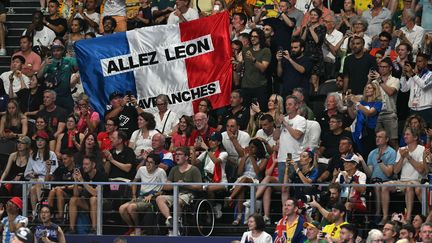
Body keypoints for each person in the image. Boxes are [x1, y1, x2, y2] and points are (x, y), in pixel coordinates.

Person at [380, 127, 426, 223]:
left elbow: (421, 169)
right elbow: (396, 171)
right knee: (384, 186)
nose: (404, 136)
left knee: (409, 186)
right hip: (401, 181)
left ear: (415, 137)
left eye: (407, 134)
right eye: (404, 134)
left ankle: (408, 217)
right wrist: (401, 157)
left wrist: (408, 157)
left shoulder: (422, 149)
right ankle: (384, 217)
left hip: (416, 181)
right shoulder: (401, 149)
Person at [155, 147, 202, 235]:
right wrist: (175, 184)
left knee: (178, 200)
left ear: (187, 157)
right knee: (159, 198)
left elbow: (199, 186)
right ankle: (170, 219)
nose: (177, 156)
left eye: (179, 154)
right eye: (176, 154)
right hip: (175, 193)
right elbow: (165, 186)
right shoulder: (174, 169)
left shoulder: (194, 170)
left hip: (188, 195)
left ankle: (177, 221)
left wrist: (185, 184)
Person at [119, 153, 167, 236]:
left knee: (131, 207)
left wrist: (153, 195)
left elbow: (164, 189)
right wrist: (134, 195)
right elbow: (134, 181)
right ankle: (132, 228)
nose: (148, 164)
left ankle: (138, 228)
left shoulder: (161, 172)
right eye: (147, 162)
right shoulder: (141, 169)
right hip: (141, 197)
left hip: (152, 199)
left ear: (156, 165)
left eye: (151, 163)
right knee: (122, 208)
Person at [225, 139, 267, 225]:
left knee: (244, 179)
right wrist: (244, 158)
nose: (251, 149)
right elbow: (239, 173)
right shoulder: (246, 157)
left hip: (255, 181)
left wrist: (252, 158)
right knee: (242, 188)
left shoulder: (264, 159)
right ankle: (239, 216)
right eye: (250, 147)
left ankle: (230, 198)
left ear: (258, 148)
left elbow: (258, 173)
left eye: (253, 148)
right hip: (243, 180)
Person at [273, 95, 306, 204]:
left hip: (295, 159)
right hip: (282, 159)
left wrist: (285, 124)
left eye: (290, 104)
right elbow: (275, 137)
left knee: (296, 189)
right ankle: (285, 215)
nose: (287, 107)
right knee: (284, 189)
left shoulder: (301, 120)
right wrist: (278, 125)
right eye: (286, 104)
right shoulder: (283, 120)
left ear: (296, 106)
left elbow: (297, 135)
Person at [359, 130, 396, 221]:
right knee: (375, 184)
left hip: (387, 181)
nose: (377, 139)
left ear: (386, 139)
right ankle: (377, 213)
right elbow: (370, 174)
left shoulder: (392, 152)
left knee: (378, 185)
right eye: (376, 137)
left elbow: (389, 173)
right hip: (374, 181)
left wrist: (380, 161)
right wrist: (362, 161)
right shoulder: (372, 153)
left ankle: (380, 214)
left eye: (380, 137)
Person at [67, 156, 109, 234]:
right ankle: (71, 229)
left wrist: (82, 181)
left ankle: (94, 229)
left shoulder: (102, 175)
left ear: (93, 165)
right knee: (73, 199)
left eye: (86, 164)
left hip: (104, 202)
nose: (84, 166)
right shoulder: (84, 174)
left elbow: (96, 193)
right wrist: (75, 181)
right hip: (90, 203)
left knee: (93, 199)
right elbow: (75, 194)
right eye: (83, 164)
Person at [37, 38, 78, 113]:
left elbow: (78, 67)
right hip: (54, 96)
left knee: (69, 114)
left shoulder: (68, 60)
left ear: (62, 51)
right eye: (54, 51)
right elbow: (39, 76)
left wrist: (72, 59)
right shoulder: (49, 62)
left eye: (58, 50)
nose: (56, 53)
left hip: (66, 95)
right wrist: (44, 64)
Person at [24, 131, 58, 218]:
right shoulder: (32, 155)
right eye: (37, 140)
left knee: (38, 183)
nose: (39, 142)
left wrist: (47, 171)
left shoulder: (51, 155)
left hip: (46, 180)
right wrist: (32, 174)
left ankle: (39, 209)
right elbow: (27, 173)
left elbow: (52, 173)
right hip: (34, 181)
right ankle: (36, 212)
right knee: (33, 188)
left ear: (46, 142)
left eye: (41, 140)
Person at [347, 82, 383, 156]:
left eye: (369, 88)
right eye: (366, 88)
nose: (367, 89)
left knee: (368, 153)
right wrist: (349, 104)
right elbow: (352, 116)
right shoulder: (362, 102)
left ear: (375, 90)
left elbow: (369, 113)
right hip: (359, 130)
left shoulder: (378, 103)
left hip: (370, 131)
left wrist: (356, 102)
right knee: (359, 153)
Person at [372, 57, 400, 148]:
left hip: (390, 114)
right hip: (376, 114)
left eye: (384, 67)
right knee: (379, 142)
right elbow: (367, 96)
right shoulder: (374, 81)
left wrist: (380, 81)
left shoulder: (395, 80)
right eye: (380, 67)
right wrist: (369, 80)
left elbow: (390, 92)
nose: (382, 69)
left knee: (393, 141)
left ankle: (397, 161)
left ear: (390, 68)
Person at [240, 28, 271, 109]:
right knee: (246, 111)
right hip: (246, 86)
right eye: (251, 36)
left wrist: (253, 59)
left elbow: (263, 68)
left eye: (255, 36)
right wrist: (239, 63)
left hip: (259, 86)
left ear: (260, 37)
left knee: (260, 111)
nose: (253, 38)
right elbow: (240, 67)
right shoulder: (245, 50)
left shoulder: (265, 51)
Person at [400, 53, 432, 125]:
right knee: (414, 133)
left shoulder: (430, 74)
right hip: (413, 110)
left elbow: (423, 85)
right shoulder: (414, 75)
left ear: (426, 62)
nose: (418, 64)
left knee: (426, 133)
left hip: (426, 109)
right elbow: (403, 89)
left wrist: (412, 74)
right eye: (417, 61)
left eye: (420, 61)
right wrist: (403, 75)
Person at [301, 8, 326, 92]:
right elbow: (302, 41)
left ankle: (315, 99)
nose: (312, 17)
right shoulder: (307, 27)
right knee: (306, 80)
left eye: (315, 15)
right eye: (311, 15)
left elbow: (318, 41)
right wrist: (306, 29)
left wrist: (311, 29)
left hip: (316, 56)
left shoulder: (322, 28)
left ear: (319, 17)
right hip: (306, 54)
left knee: (314, 80)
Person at [46, 150, 75, 221]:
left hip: (70, 194)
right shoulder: (61, 168)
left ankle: (60, 216)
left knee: (58, 190)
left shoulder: (77, 169)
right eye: (62, 159)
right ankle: (47, 214)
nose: (63, 161)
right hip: (57, 192)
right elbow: (48, 180)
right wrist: (48, 170)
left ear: (72, 158)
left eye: (65, 159)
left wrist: (62, 187)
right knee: (53, 191)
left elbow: (77, 186)